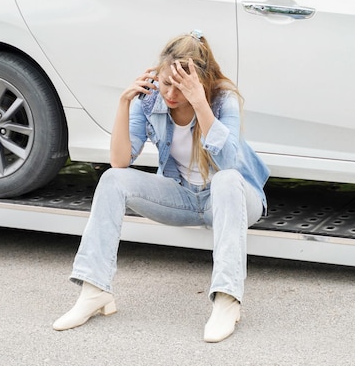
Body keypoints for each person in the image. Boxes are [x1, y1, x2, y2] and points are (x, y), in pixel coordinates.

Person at [53, 30, 270, 343]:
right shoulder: (151, 101)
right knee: (112, 180)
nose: (170, 93)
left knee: (225, 178)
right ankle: (94, 290)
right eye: (166, 82)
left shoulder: (223, 99)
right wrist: (124, 102)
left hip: (233, 198)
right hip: (183, 198)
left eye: (180, 86)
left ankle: (227, 300)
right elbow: (120, 161)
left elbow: (229, 162)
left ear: (199, 83)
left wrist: (198, 102)